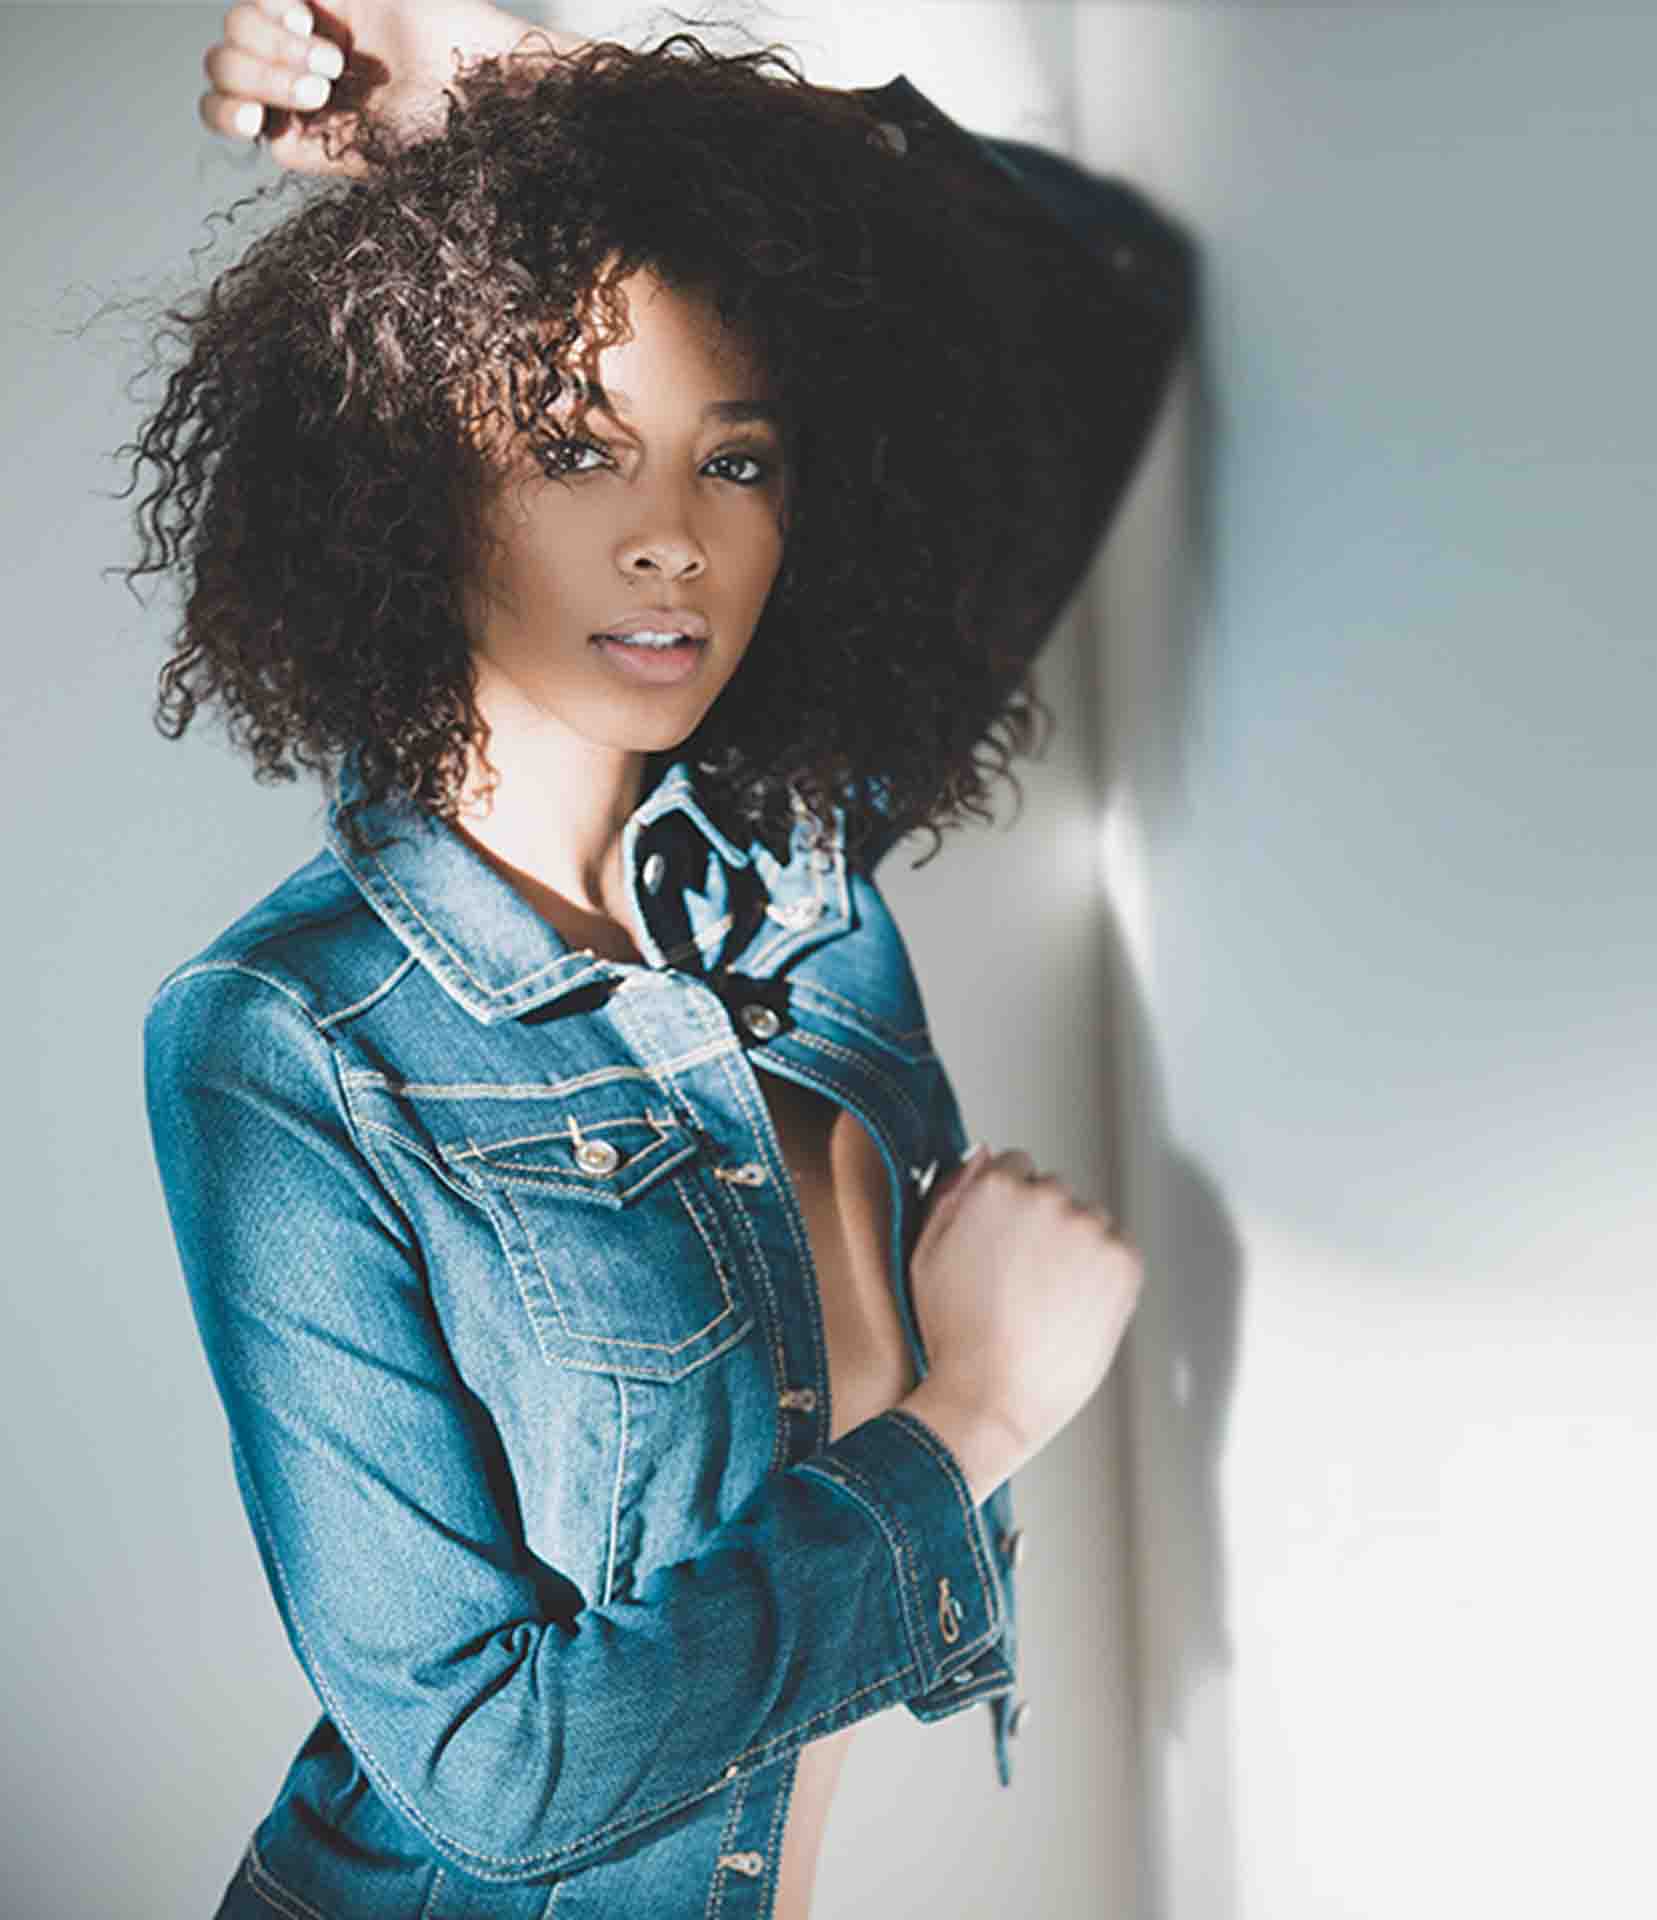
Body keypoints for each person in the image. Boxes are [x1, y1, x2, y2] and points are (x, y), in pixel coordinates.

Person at [136, 4, 1193, 1914]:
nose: (671, 545)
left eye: (737, 461)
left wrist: (509, 89)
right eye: (573, 449)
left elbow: (1098, 275)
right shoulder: (286, 1038)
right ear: (406, 485)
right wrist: (973, 1413)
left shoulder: (778, 877)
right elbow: (488, 1767)